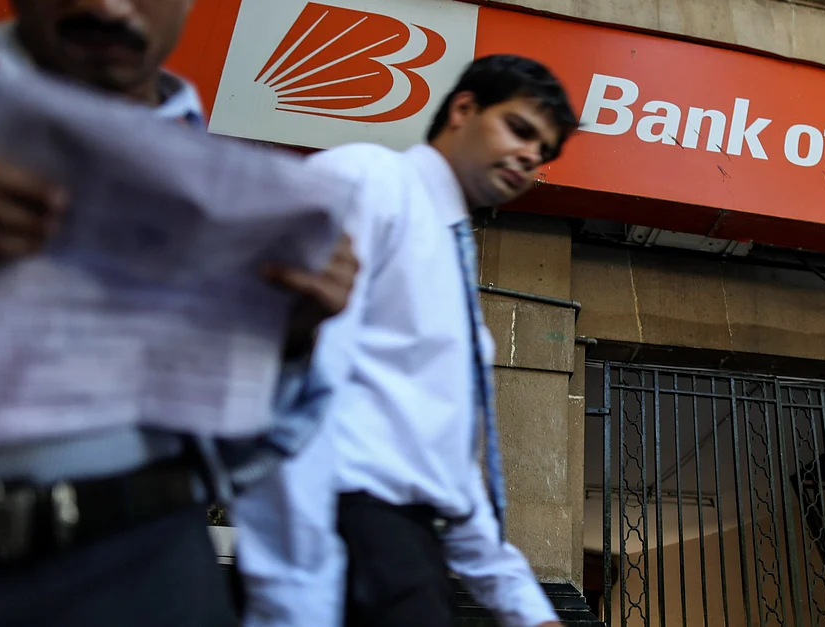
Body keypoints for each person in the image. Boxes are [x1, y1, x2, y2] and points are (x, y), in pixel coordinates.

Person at [0, 0, 357, 625]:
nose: (106, 1)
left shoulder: (238, 195)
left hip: (157, 572)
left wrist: (290, 338)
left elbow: (243, 462)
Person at [233, 55, 579, 627]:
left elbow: (443, 460)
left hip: (408, 555)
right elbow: (294, 394)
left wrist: (527, 609)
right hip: (341, 539)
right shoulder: (370, 178)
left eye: (544, 152)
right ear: (463, 109)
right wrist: (292, 597)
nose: (530, 157)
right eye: (520, 129)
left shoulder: (450, 249)